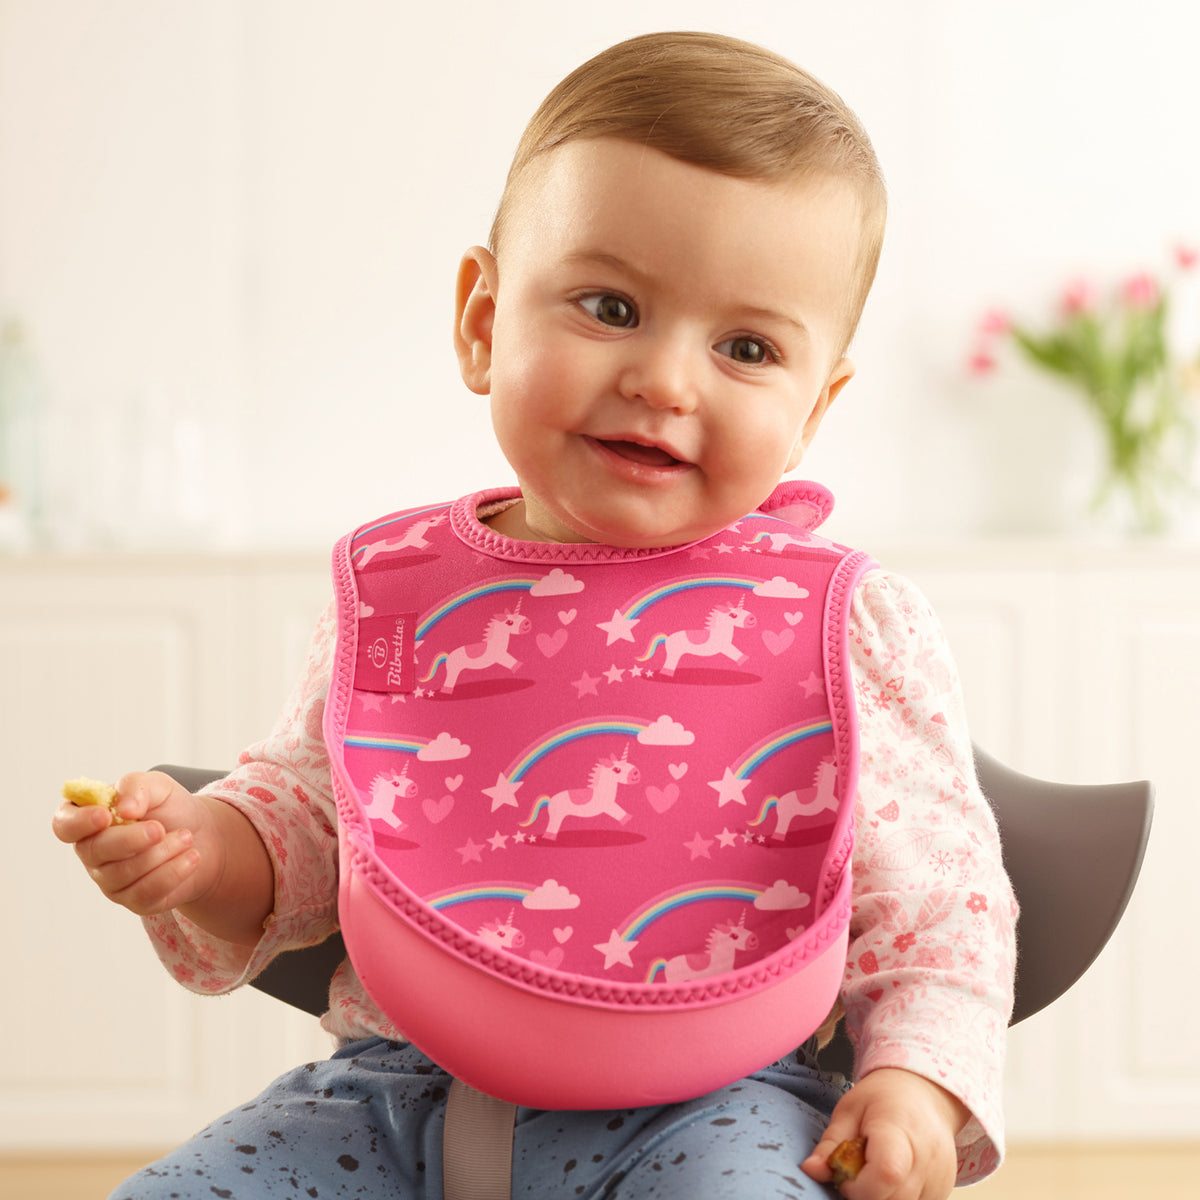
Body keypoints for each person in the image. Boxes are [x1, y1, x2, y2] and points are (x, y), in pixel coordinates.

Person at [53, 31, 1015, 1200]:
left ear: (816, 405)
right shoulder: (402, 592)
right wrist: (203, 850)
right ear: (482, 317)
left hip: (715, 1111)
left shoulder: (843, 624)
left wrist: (915, 1077)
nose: (667, 380)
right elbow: (316, 821)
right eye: (609, 306)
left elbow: (938, 905)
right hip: (389, 1097)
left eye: (747, 347)